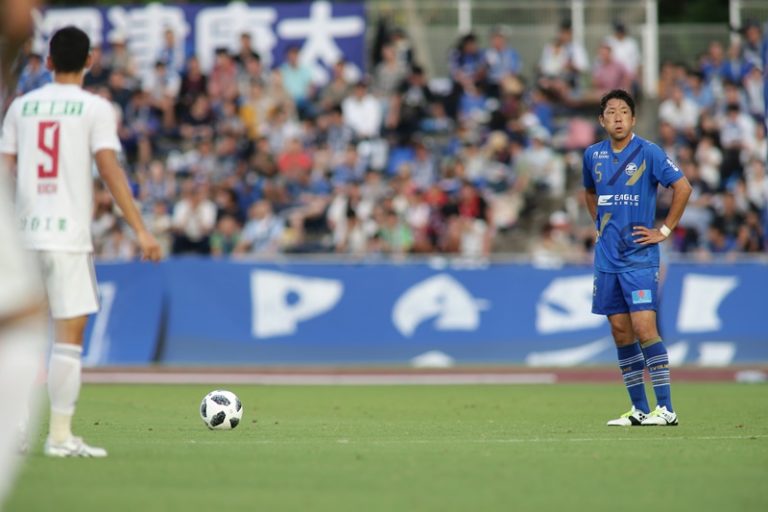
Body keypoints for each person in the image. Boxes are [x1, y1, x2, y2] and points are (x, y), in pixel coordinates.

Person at [0, 26, 162, 457]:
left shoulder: (21, 107)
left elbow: (4, 170)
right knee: (68, 340)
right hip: (68, 237)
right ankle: (59, 436)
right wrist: (140, 229)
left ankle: (15, 430)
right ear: (89, 61)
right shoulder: (95, 108)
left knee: (20, 339)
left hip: (23, 238)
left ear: (48, 62)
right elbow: (109, 169)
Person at [582, 89, 692, 426]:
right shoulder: (592, 155)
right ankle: (639, 409)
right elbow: (589, 191)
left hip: (639, 256)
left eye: (623, 112)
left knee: (645, 327)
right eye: (611, 112)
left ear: (633, 118)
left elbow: (683, 187)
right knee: (620, 331)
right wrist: (599, 224)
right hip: (607, 258)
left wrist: (664, 230)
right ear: (602, 120)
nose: (617, 117)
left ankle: (666, 409)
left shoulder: (649, 152)